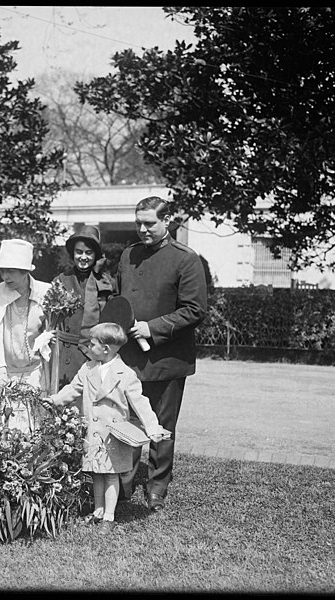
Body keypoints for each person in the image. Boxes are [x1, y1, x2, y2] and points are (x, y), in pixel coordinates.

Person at [116, 196, 208, 511]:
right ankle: (123, 485)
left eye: (150, 223)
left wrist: (152, 329)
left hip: (168, 360)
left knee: (162, 424)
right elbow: (121, 301)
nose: (143, 229)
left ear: (166, 220)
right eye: (138, 223)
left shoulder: (186, 259)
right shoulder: (128, 256)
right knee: (126, 421)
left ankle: (157, 487)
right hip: (130, 358)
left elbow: (195, 310)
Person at [42, 322, 171, 535]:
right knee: (97, 474)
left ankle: (109, 516)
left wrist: (152, 426)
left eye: (92, 344)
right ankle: (98, 511)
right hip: (94, 433)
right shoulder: (88, 368)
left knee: (111, 475)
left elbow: (140, 402)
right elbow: (73, 389)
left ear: (105, 348)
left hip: (113, 436)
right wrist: (55, 400)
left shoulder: (125, 374)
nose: (88, 347)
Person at [0, 238, 54, 432]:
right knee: (6, 425)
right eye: (2, 271)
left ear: (25, 272)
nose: (5, 276)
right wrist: (1, 372)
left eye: (11, 271)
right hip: (6, 372)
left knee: (36, 425)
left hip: (37, 371)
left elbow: (50, 331)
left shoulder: (46, 292)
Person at [52, 225, 115, 392]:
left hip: (93, 352)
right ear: (73, 254)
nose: (83, 257)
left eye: (89, 252)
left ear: (95, 255)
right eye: (79, 252)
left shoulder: (106, 283)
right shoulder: (61, 280)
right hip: (66, 354)